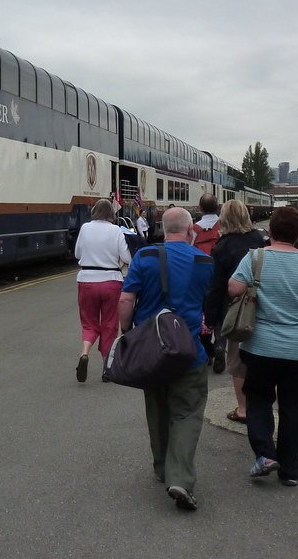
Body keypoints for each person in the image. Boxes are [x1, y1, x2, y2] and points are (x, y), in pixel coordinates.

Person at [228, 206, 298, 487]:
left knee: (259, 399)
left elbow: (234, 289)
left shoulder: (255, 257)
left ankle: (265, 454)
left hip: (260, 346)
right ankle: (289, 469)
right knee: (295, 408)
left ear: (270, 231)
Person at [118, 208, 213, 512]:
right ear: (190, 231)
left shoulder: (145, 256)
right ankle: (180, 478)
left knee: (157, 408)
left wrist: (125, 332)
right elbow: (213, 305)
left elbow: (126, 299)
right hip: (190, 352)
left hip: (152, 352)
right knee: (186, 413)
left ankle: (161, 467)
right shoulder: (204, 262)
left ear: (162, 228)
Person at [203, 200, 269, 419]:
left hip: (236, 310)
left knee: (239, 360)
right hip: (266, 305)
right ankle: (263, 403)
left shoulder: (222, 246)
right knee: (263, 357)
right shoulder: (261, 240)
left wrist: (210, 318)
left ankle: (243, 408)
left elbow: (216, 286)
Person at [74, 199, 132, 382]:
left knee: (89, 323)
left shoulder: (85, 228)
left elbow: (77, 254)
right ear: (111, 215)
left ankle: (84, 353)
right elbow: (127, 257)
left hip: (87, 280)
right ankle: (107, 367)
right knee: (109, 323)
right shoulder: (116, 231)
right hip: (111, 281)